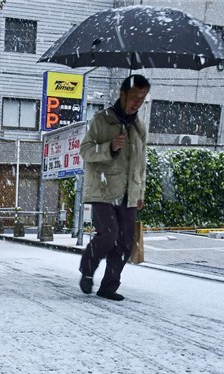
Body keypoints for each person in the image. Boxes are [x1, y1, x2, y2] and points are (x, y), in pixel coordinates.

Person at [78, 74, 150, 301]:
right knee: (108, 236)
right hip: (103, 189)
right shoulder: (102, 120)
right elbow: (85, 151)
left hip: (129, 193)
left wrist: (140, 192)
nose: (137, 102)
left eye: (142, 98)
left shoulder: (139, 128)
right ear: (122, 94)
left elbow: (141, 164)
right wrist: (109, 146)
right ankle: (87, 270)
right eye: (134, 97)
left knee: (126, 242)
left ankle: (109, 286)